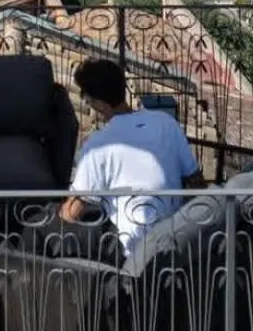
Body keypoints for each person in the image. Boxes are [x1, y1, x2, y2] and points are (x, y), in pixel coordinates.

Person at [60, 58, 203, 254]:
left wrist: (57, 212)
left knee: (43, 227)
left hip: (130, 250)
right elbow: (196, 182)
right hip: (175, 240)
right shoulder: (166, 123)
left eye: (86, 96)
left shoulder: (98, 146)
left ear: (97, 103)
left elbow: (72, 213)